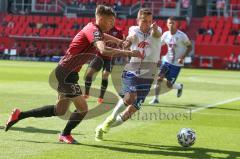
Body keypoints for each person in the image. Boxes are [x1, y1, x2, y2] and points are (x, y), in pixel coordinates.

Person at [5, 5, 143, 144]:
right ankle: (65, 134)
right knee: (83, 108)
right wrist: (128, 53)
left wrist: (119, 41)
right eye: (110, 21)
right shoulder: (94, 30)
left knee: (59, 110)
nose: (112, 25)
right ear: (101, 19)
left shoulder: (93, 28)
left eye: (113, 22)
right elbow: (103, 50)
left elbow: (103, 36)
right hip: (66, 74)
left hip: (67, 72)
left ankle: (19, 115)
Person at [95, 8, 162, 141]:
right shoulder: (134, 29)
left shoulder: (157, 31)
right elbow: (132, 37)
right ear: (138, 21)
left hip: (148, 75)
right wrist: (127, 42)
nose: (147, 24)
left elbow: (156, 34)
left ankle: (103, 127)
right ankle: (111, 118)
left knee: (131, 110)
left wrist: (154, 29)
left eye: (149, 21)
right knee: (130, 97)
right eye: (144, 21)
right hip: (133, 70)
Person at [150, 17, 192, 104]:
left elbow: (190, 46)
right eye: (169, 23)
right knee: (159, 78)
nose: (171, 25)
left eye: (173, 23)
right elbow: (158, 45)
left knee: (168, 85)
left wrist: (183, 57)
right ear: (167, 24)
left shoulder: (182, 36)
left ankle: (179, 87)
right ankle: (155, 99)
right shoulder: (165, 34)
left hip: (176, 64)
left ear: (177, 24)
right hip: (166, 61)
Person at [84, 26, 124, 104]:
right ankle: (86, 93)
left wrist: (122, 51)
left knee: (105, 75)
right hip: (99, 56)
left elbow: (122, 42)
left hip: (110, 58)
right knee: (89, 74)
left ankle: (101, 97)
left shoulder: (119, 31)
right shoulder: (102, 29)